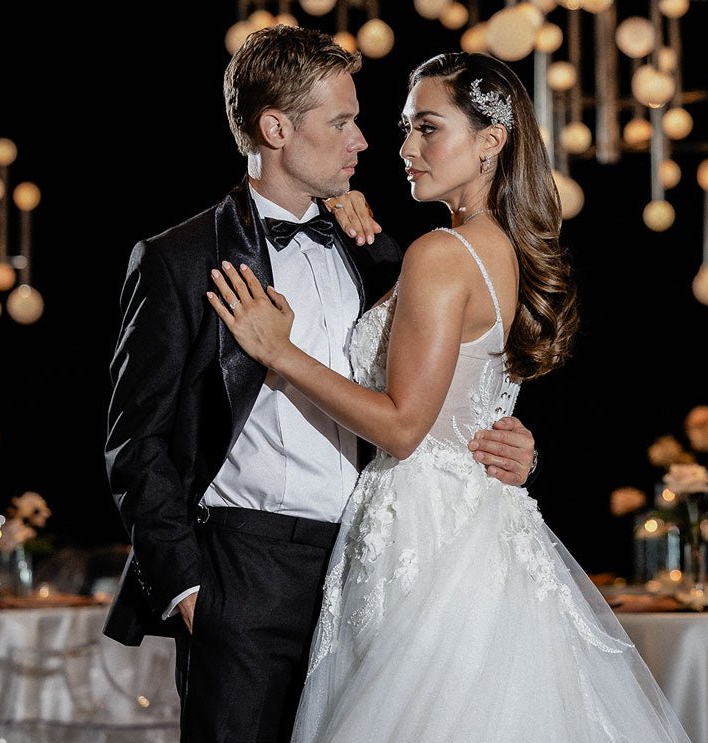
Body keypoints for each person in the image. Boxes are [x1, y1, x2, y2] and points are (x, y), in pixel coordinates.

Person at [207, 51, 692, 742]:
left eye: (428, 128)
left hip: (423, 529)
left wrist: (280, 353)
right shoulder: (498, 249)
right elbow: (470, 405)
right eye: (406, 128)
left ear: (491, 140)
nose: (405, 148)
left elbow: (404, 427)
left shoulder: (442, 254)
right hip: (473, 522)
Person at [104, 27, 538, 742]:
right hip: (242, 571)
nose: (364, 141)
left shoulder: (377, 250)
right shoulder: (179, 258)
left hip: (373, 566)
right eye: (341, 122)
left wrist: (510, 444)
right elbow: (135, 443)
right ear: (277, 129)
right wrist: (189, 590)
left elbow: (442, 383)